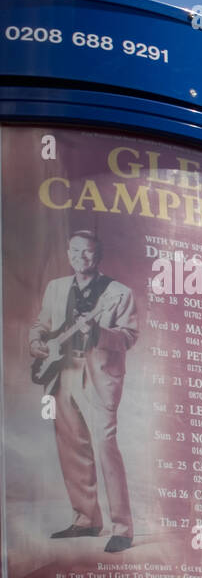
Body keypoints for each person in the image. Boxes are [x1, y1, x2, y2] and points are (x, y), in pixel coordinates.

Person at [29, 230, 138, 553]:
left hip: (99, 376)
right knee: (71, 446)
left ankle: (122, 528)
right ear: (67, 253)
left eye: (88, 252)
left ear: (98, 255)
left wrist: (99, 333)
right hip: (62, 372)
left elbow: (129, 336)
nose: (81, 258)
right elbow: (41, 325)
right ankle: (86, 519)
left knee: (105, 445)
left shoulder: (118, 293)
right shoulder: (56, 287)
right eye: (75, 252)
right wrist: (36, 343)